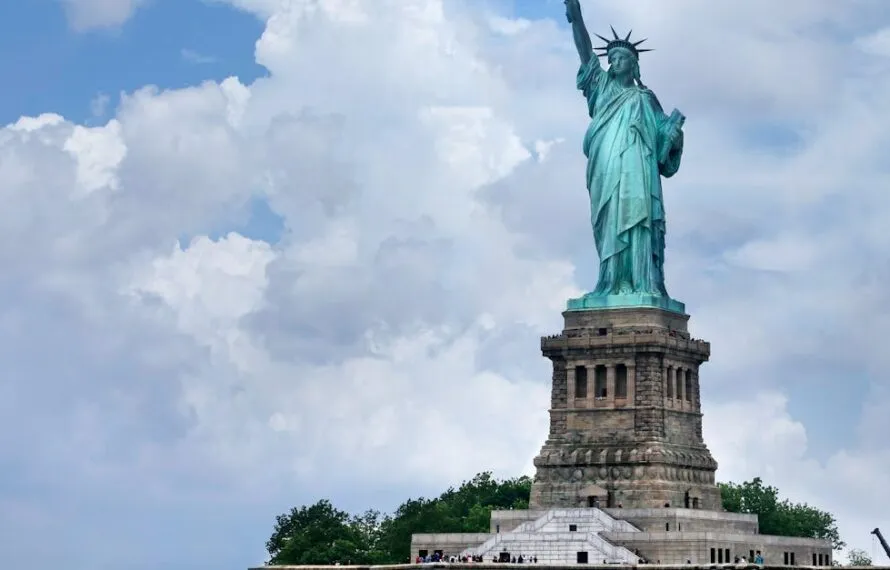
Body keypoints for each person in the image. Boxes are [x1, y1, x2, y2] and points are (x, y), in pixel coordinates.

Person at [563, 0, 685, 299]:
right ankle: (610, 283)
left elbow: (662, 153)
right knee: (609, 219)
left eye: (621, 58)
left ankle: (644, 283)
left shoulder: (646, 98)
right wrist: (575, 14)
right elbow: (584, 50)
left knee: (640, 218)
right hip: (606, 163)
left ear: (634, 63)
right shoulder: (601, 87)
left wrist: (673, 135)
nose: (615, 62)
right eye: (612, 57)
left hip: (639, 169)